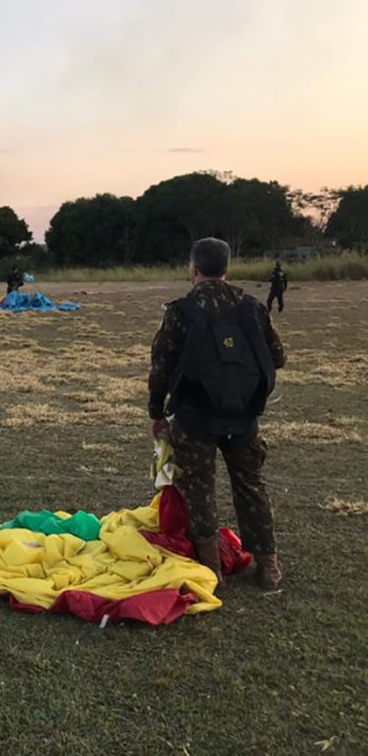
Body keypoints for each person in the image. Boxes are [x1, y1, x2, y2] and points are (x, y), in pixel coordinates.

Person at [148, 237, 286, 590]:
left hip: (194, 418)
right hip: (243, 417)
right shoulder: (252, 307)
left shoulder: (181, 311)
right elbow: (277, 357)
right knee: (252, 487)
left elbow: (161, 367)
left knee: (199, 490)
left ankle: (211, 569)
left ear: (193, 269)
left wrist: (156, 412)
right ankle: (268, 565)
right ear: (227, 268)